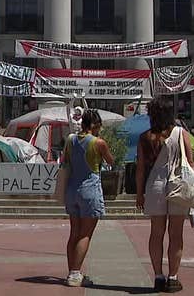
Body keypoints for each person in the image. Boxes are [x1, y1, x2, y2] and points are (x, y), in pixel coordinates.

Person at [135, 97, 194, 293]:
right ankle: (173, 277)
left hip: (155, 186)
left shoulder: (145, 137)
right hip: (178, 185)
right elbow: (191, 163)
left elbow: (141, 169)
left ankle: (158, 276)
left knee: (156, 233)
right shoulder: (182, 134)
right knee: (176, 234)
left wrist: (139, 194)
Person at [62, 109, 115, 287]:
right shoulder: (98, 142)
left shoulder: (70, 140)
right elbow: (111, 160)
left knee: (74, 233)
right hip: (89, 189)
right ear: (96, 125)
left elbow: (65, 161)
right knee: (85, 234)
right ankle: (76, 274)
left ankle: (72, 272)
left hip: (71, 189)